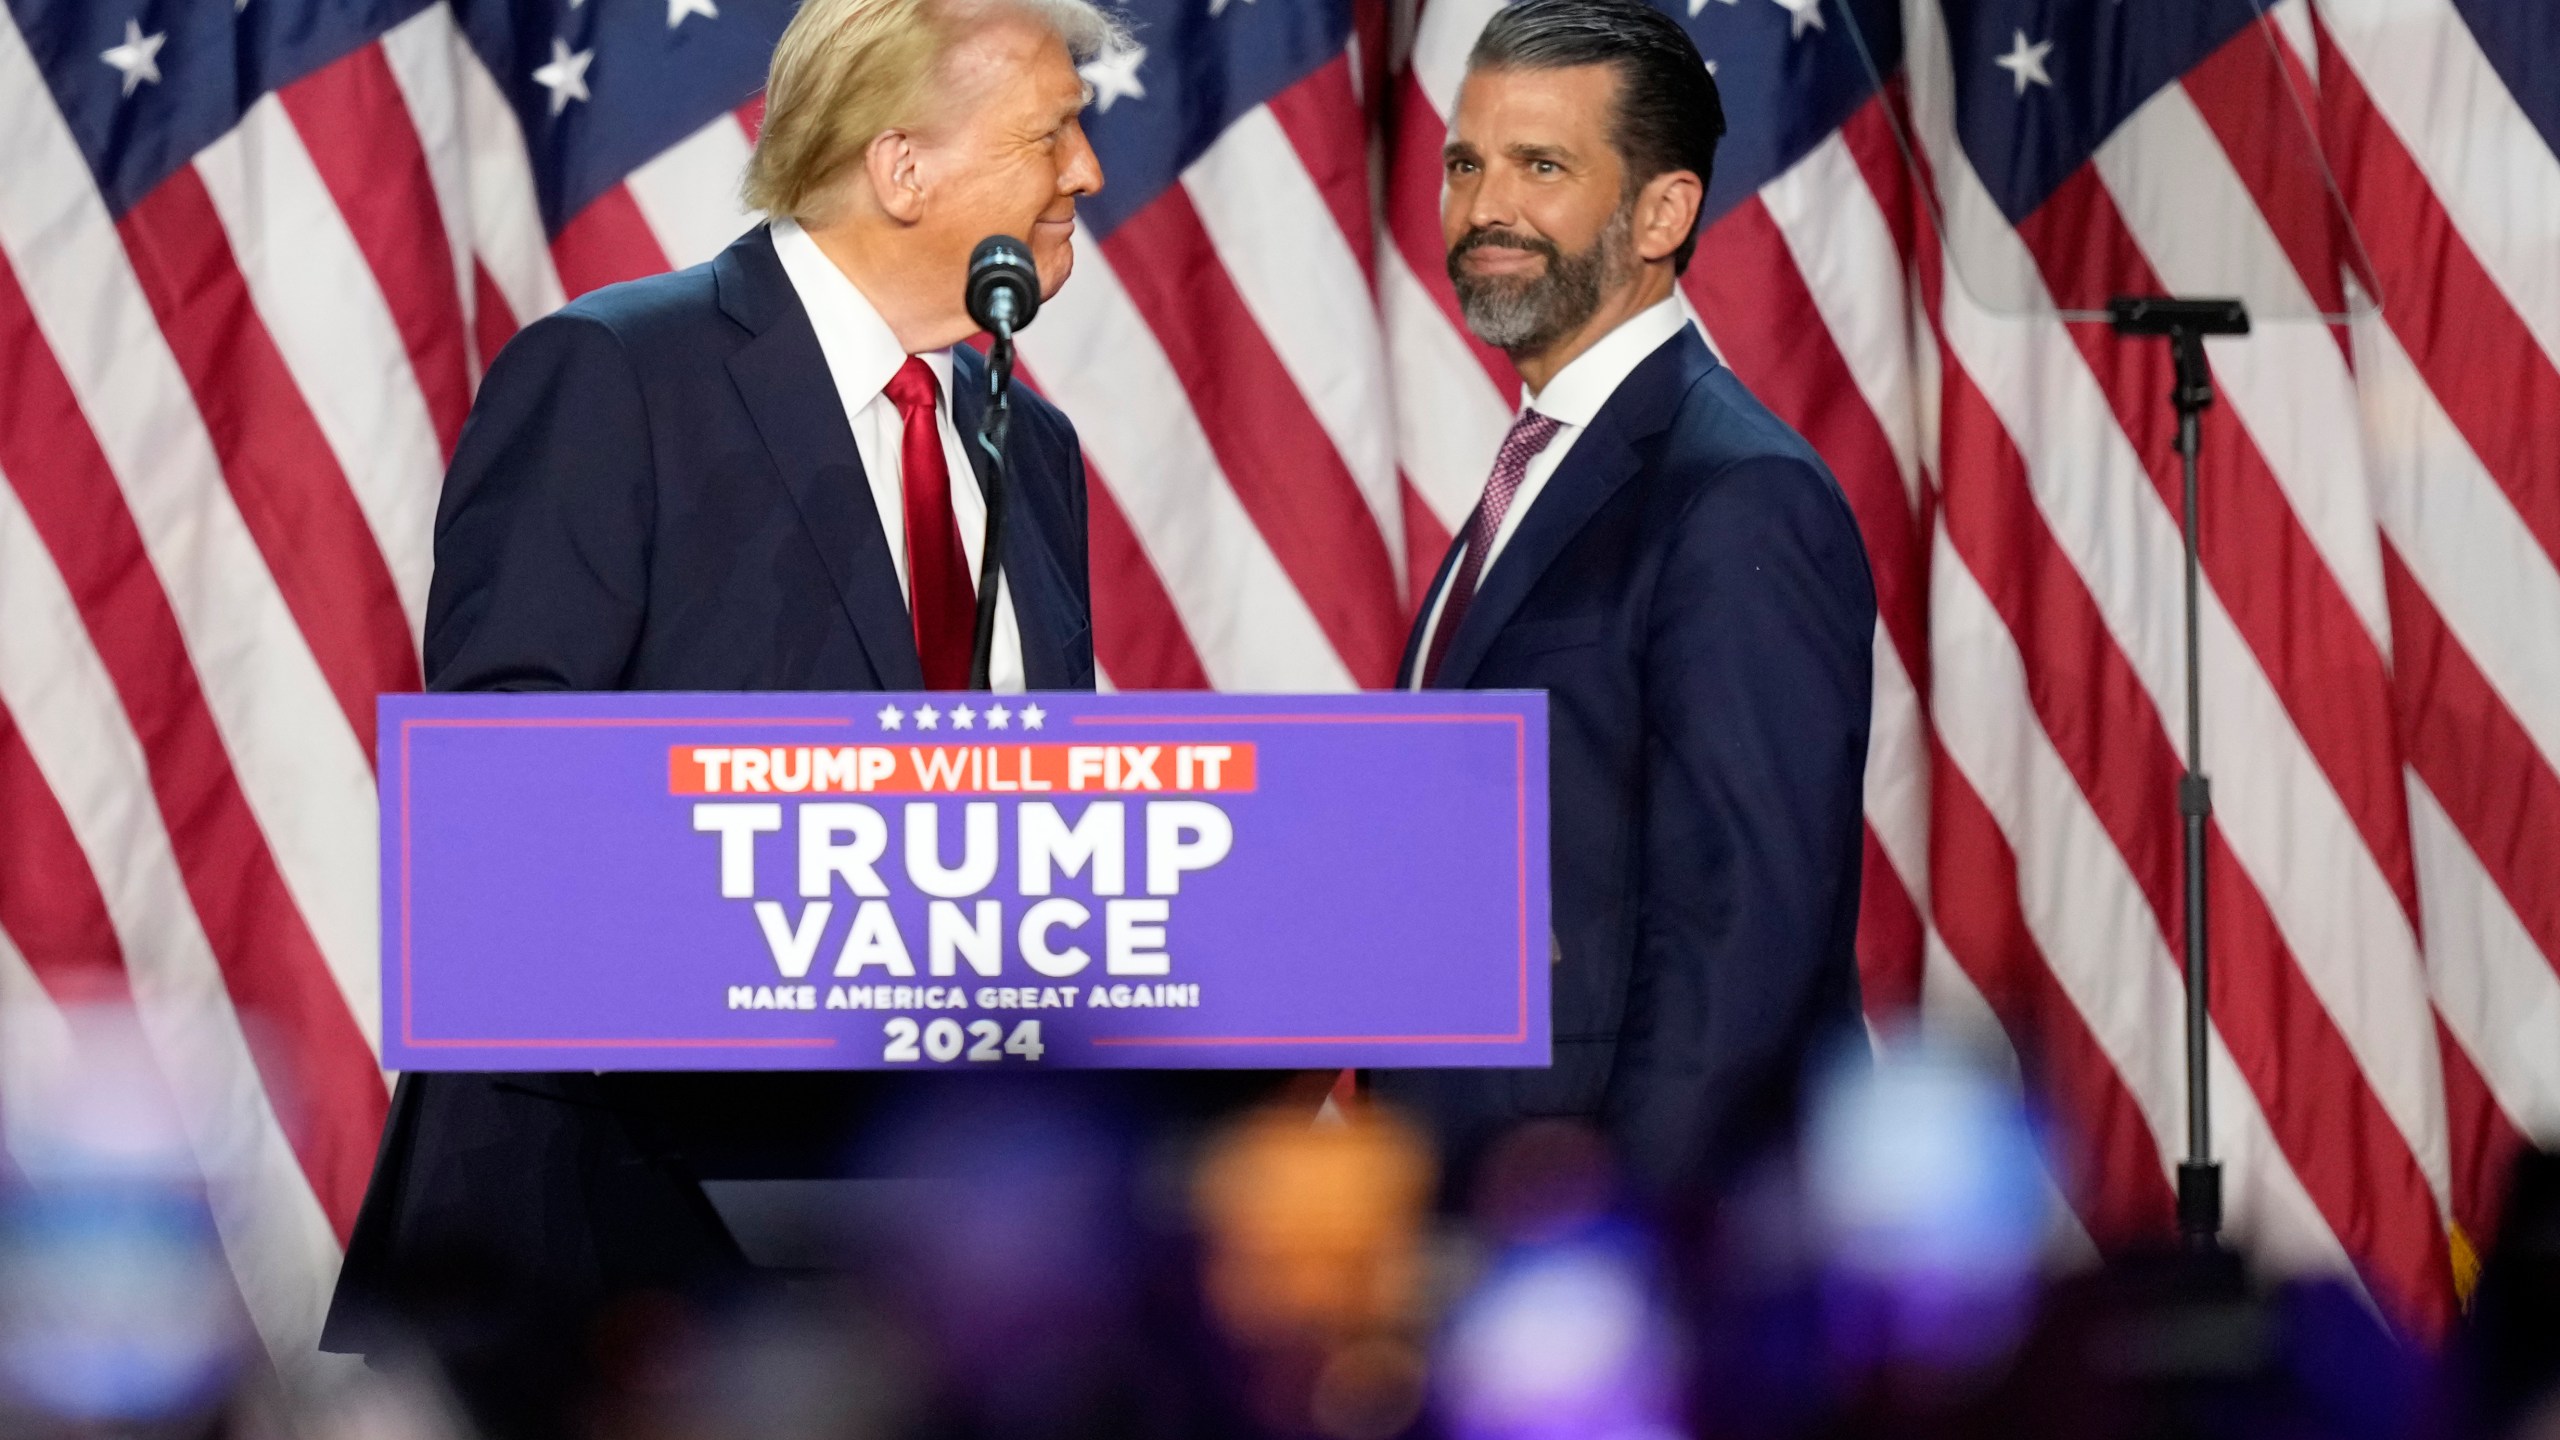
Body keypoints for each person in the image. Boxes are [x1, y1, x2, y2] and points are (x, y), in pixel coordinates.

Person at [321, 0, 1177, 1426]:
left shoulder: (1032, 447)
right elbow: (500, 804)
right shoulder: (616, 377)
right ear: (903, 169)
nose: (1089, 170)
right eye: (1053, 131)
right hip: (594, 1253)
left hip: (900, 1255)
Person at [1367, 0, 1876, 1202]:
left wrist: (1627, 1248)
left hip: (1626, 1230)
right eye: (1464, 164)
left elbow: (1737, 938)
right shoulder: (1540, 468)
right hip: (1477, 1202)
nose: (1485, 206)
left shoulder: (1736, 492)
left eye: (1541, 166)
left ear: (1663, 210)